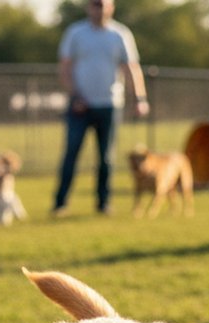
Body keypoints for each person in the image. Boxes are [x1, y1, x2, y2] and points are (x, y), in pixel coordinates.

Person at [50, 0, 149, 217]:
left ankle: (103, 203)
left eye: (104, 4)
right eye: (96, 4)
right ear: (88, 7)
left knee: (106, 157)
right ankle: (60, 203)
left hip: (109, 104)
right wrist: (75, 96)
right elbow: (65, 68)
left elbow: (131, 68)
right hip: (80, 105)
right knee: (71, 153)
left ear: (111, 7)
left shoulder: (120, 34)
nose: (100, 8)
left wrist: (140, 98)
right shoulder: (76, 33)